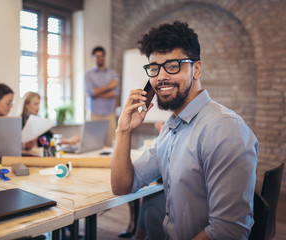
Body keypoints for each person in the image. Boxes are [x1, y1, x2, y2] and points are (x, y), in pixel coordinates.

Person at [111, 21, 258, 240]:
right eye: (154, 68)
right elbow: (123, 185)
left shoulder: (225, 129)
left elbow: (229, 231)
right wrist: (123, 131)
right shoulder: (171, 127)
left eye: (173, 65)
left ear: (196, 69)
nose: (160, 77)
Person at [85, 46, 120, 146]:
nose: (100, 58)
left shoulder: (113, 74)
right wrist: (109, 86)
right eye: (97, 56)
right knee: (93, 145)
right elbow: (91, 92)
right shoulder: (88, 74)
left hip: (109, 115)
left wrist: (96, 93)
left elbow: (115, 93)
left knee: (110, 145)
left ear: (105, 57)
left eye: (102, 56)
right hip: (93, 114)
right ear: (92, 58)